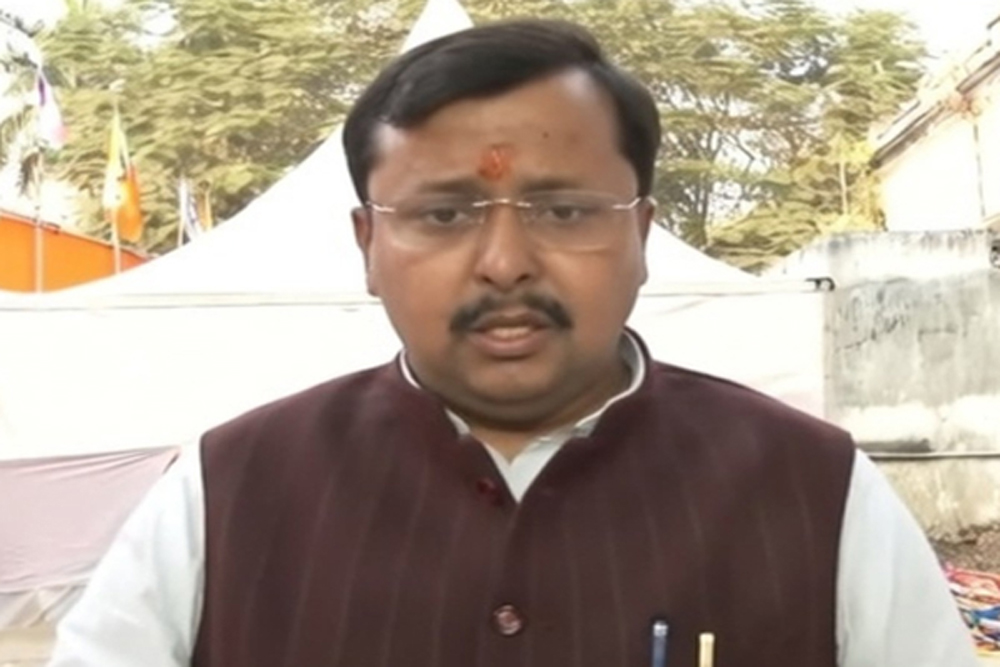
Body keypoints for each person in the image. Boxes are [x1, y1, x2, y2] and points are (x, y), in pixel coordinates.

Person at [48, 18, 978, 667]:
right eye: (444, 214)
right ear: (368, 247)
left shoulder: (814, 490)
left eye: (564, 210)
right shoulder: (226, 492)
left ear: (641, 234)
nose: (504, 263)